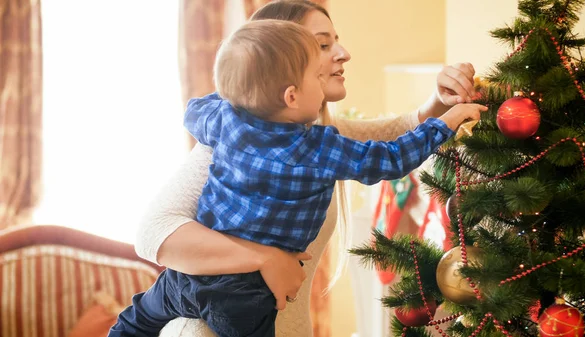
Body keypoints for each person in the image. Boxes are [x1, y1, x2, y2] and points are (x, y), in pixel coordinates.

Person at [134, 1, 480, 336]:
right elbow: (153, 233)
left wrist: (441, 102)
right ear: (283, 78)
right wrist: (265, 259)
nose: (343, 53)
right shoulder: (239, 143)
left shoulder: (297, 136)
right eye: (322, 45)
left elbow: (392, 137)